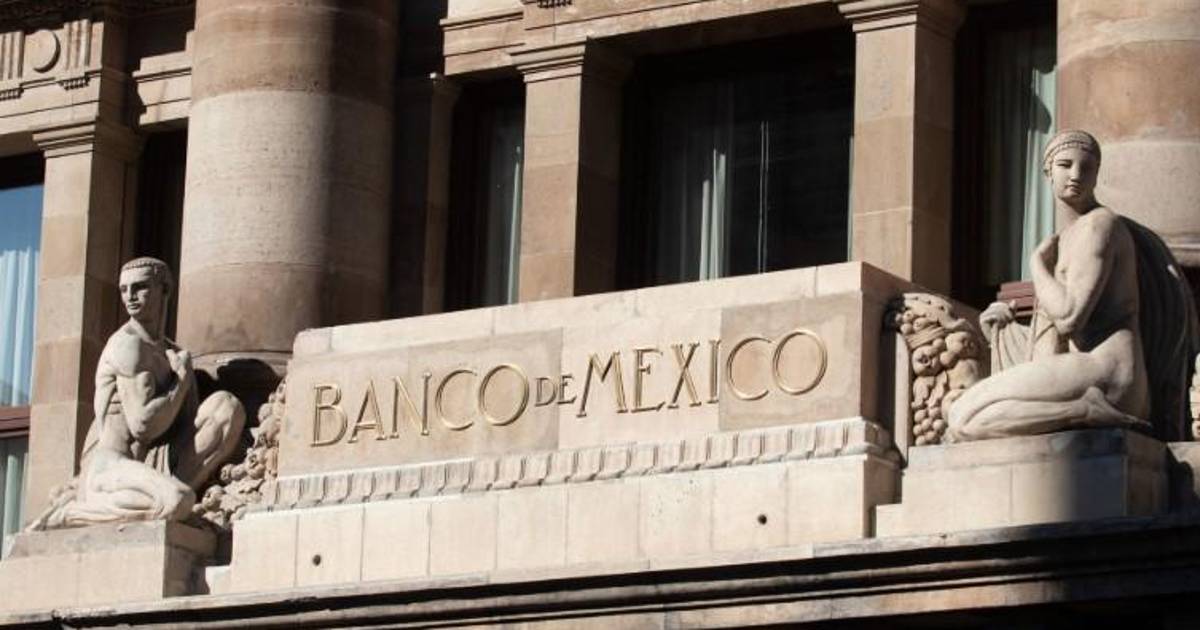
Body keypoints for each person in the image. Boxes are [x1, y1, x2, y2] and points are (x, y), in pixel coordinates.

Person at [947, 130, 1198, 442]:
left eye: (1087, 167)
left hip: (1109, 375)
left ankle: (1088, 409)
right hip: (1088, 374)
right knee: (964, 420)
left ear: (1097, 174)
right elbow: (1054, 345)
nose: (1076, 175)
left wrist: (1037, 265)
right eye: (1065, 165)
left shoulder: (1098, 225)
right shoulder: (1069, 235)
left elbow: (1069, 317)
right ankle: (1081, 411)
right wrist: (1006, 332)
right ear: (1048, 172)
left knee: (964, 414)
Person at [30, 257, 245, 529]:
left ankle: (162, 498)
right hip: (111, 467)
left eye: (140, 287)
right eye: (123, 289)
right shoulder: (127, 346)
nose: (129, 296)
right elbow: (142, 425)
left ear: (164, 289)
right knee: (179, 500)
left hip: (152, 461)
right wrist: (179, 383)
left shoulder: (172, 352)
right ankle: (70, 514)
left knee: (227, 408)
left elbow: (184, 421)